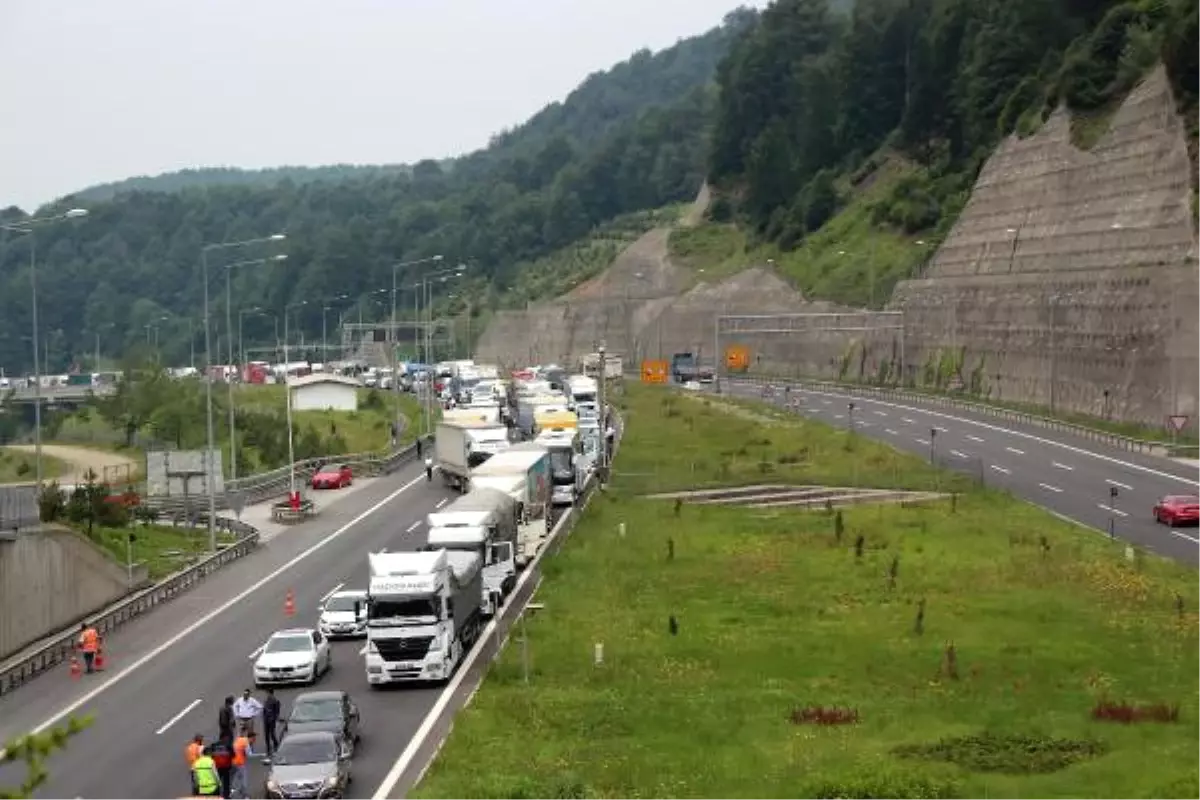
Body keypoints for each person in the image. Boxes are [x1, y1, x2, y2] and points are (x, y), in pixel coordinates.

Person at [231, 730, 255, 798]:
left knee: (234, 778)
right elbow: (249, 754)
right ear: (251, 738)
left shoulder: (239, 739)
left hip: (232, 761)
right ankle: (245, 795)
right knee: (244, 778)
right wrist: (261, 755)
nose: (254, 740)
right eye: (253, 739)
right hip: (239, 762)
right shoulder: (246, 742)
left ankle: (230, 791)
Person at [262, 688, 281, 759]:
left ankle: (275, 744)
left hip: (271, 719)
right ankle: (268, 748)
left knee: (271, 733)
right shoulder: (266, 700)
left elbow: (277, 711)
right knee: (267, 734)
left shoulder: (275, 700)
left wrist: (275, 718)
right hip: (266, 719)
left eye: (267, 693)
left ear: (270, 693)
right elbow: (264, 709)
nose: (266, 694)